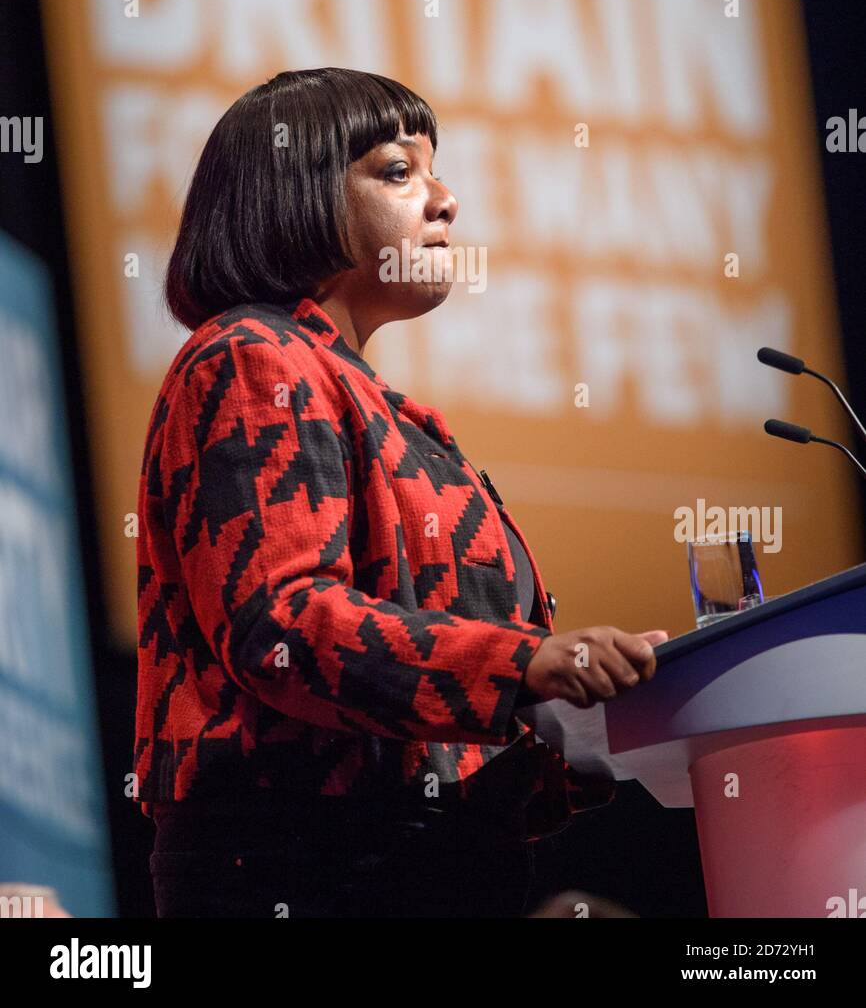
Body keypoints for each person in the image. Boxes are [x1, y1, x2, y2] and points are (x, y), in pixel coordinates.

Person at [134, 67, 668, 918]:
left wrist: (608, 736)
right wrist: (524, 662)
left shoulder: (392, 415)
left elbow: (433, 741)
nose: (446, 199)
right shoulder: (248, 359)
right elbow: (284, 625)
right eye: (398, 171)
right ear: (298, 195)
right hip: (302, 873)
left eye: (435, 170)